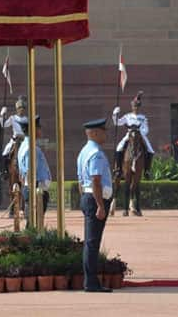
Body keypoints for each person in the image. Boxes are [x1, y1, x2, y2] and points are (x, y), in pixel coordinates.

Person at [77, 117, 114, 293]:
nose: (105, 134)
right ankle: (91, 282)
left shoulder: (84, 151)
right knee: (92, 243)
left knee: (90, 242)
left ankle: (90, 281)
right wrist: (100, 205)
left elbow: (80, 181)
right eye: (103, 131)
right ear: (94, 133)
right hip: (95, 199)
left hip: (88, 197)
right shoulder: (96, 153)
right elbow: (96, 180)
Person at [17, 115, 51, 227]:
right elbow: (30, 172)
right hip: (35, 189)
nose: (40, 129)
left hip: (33, 188)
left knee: (33, 224)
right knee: (34, 226)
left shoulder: (26, 145)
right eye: (38, 127)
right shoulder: (30, 148)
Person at [112, 91, 155, 178]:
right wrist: (115, 114)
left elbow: (146, 129)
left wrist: (139, 133)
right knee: (119, 147)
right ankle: (118, 169)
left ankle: (147, 170)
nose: (136, 108)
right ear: (132, 107)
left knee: (150, 150)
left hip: (140, 135)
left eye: (137, 106)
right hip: (129, 135)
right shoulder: (128, 116)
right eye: (134, 106)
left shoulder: (143, 118)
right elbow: (117, 123)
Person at [0, 95, 28, 159]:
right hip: (15, 139)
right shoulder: (13, 118)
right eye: (20, 108)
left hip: (24, 139)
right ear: (17, 109)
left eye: (23, 108)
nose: (21, 110)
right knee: (6, 152)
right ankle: (5, 167)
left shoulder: (27, 120)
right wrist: (2, 114)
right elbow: (3, 125)